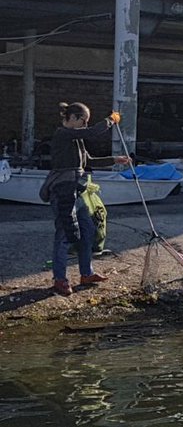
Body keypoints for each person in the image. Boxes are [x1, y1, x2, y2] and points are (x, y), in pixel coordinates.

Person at [42, 102, 116, 296]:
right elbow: (93, 132)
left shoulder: (76, 138)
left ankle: (86, 273)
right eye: (84, 121)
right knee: (65, 234)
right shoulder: (63, 134)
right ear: (73, 118)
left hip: (79, 192)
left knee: (88, 230)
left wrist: (116, 159)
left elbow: (88, 161)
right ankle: (60, 280)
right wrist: (111, 120)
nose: (85, 125)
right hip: (62, 191)